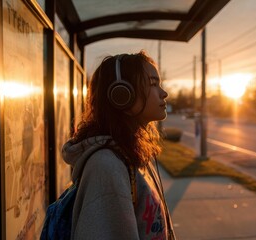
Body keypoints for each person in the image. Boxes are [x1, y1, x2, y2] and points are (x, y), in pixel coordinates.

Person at [61, 50, 176, 239]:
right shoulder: (106, 166)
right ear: (122, 95)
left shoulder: (131, 152)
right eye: (153, 84)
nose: (164, 93)